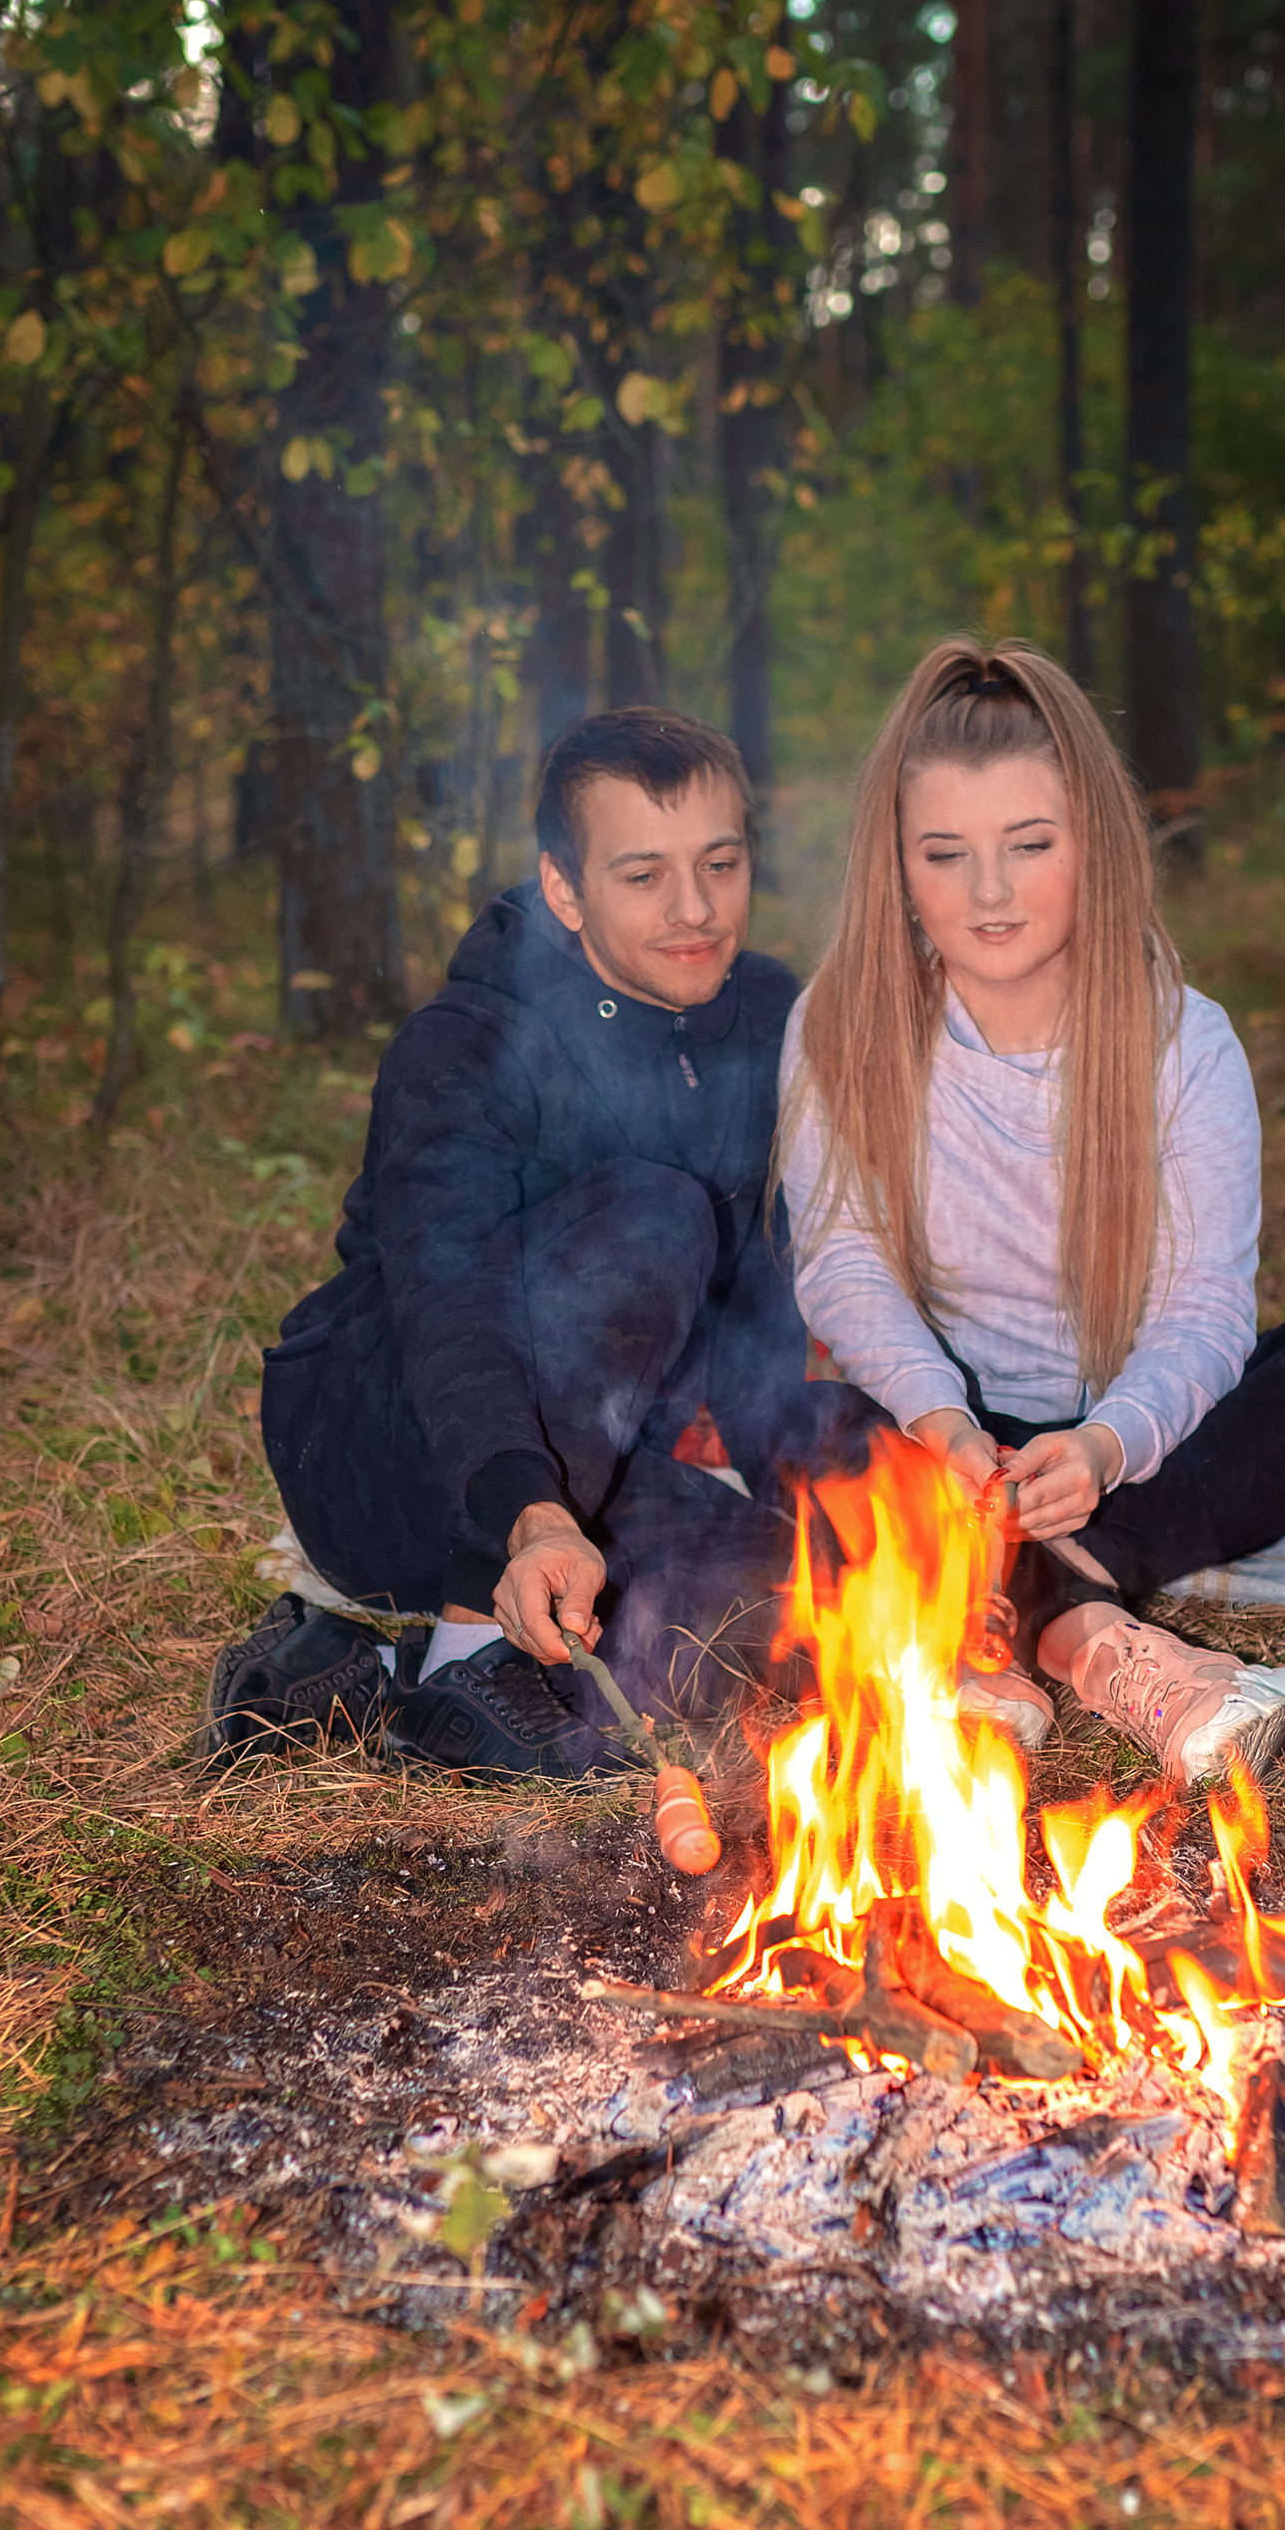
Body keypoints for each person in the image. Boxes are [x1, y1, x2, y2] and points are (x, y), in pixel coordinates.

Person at [777, 639, 1285, 1787]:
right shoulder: (841, 1021)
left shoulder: (1183, 1040)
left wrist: (1104, 1441)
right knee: (789, 1424)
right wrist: (943, 1425)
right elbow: (840, 1264)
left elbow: (1201, 1308)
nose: (990, 892)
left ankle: (1015, 1604)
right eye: (947, 853)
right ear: (897, 866)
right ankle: (1089, 1629)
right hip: (939, 1440)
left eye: (1029, 845)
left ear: (1093, 843)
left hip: (1132, 1446)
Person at [209, 707, 851, 1775]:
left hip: (592, 1455)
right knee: (655, 1213)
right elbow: (445, 1306)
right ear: (565, 888)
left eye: (720, 863)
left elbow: (758, 1310)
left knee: (808, 1608)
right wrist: (529, 1518)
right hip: (395, 1438)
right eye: (642, 875)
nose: (695, 909)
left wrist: (837, 1517)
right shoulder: (465, 1042)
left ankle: (342, 1672)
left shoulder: (768, 1014)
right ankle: (470, 1663)